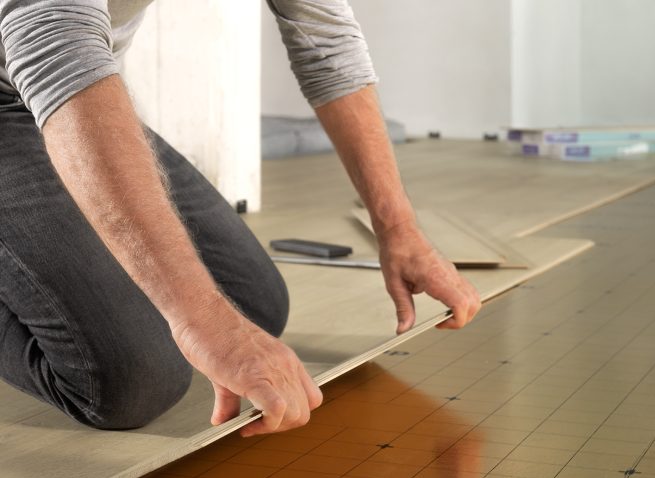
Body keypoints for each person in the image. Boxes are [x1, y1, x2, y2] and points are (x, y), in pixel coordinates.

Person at [0, 0, 481, 436]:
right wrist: (197, 320)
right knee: (131, 383)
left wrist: (399, 229)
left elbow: (327, 43)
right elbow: (53, 45)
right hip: (47, 75)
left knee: (253, 305)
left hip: (57, 85)